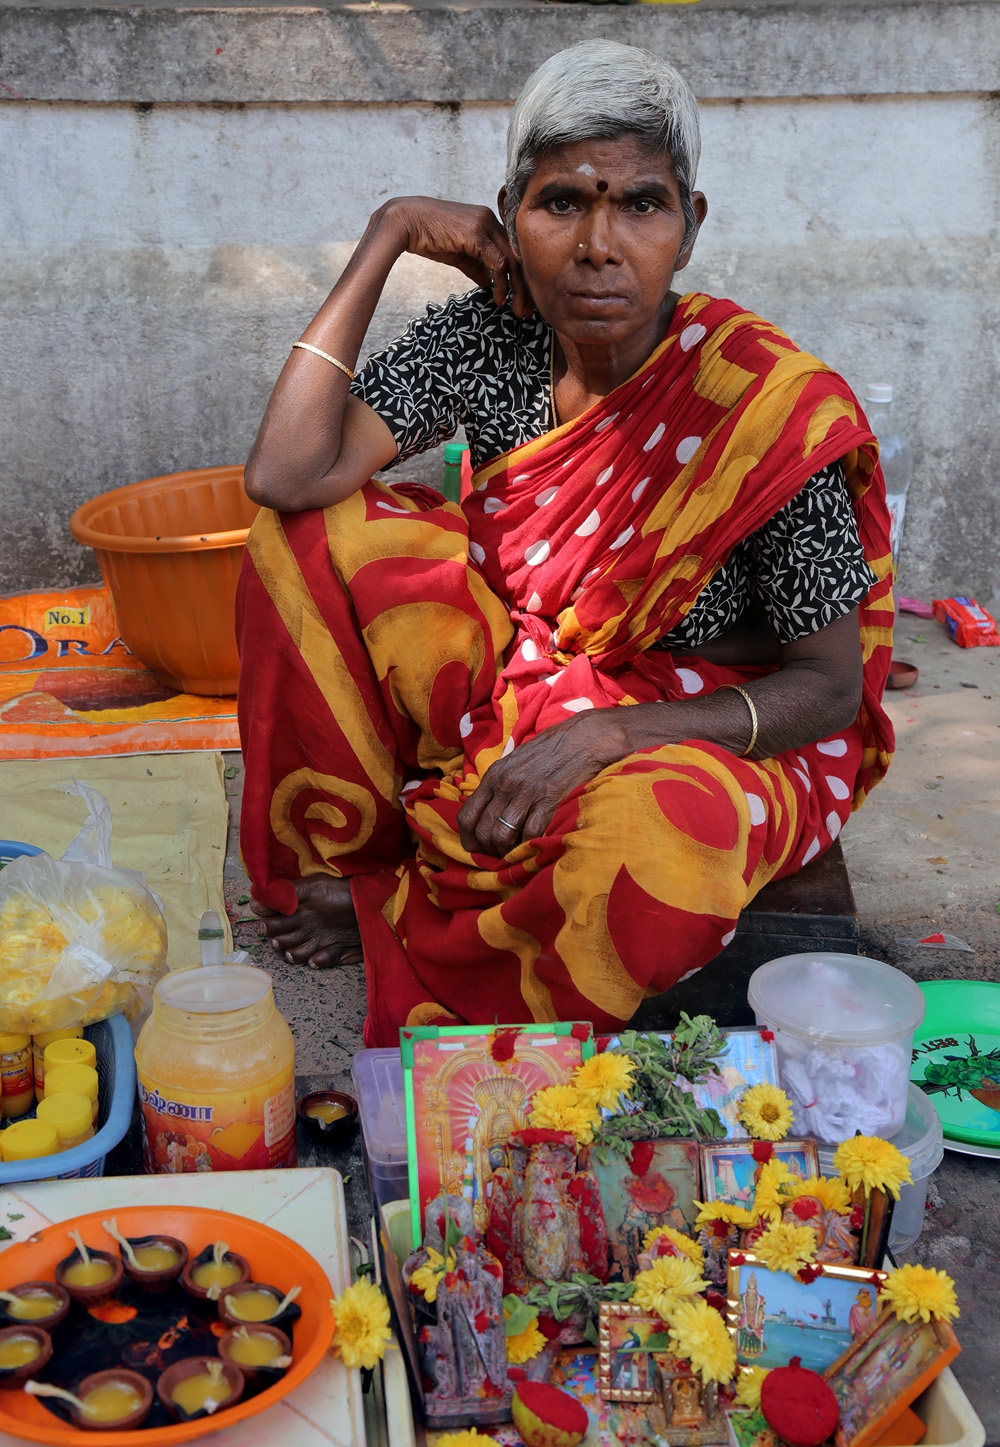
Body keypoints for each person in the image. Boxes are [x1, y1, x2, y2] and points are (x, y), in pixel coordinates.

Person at [237, 41, 894, 1045]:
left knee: (655, 849)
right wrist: (389, 235)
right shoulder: (490, 337)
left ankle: (404, 926)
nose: (598, 244)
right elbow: (287, 475)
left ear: (689, 226)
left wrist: (606, 735)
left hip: (703, 728)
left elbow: (827, 689)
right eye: (560, 204)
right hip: (529, 672)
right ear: (510, 218)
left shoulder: (764, 405)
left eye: (639, 204)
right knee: (310, 539)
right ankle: (364, 861)